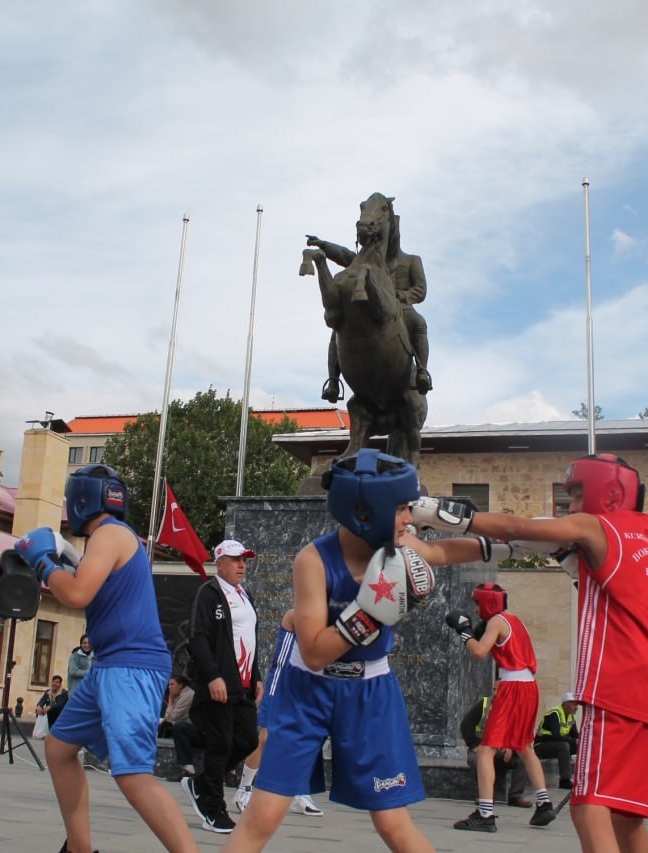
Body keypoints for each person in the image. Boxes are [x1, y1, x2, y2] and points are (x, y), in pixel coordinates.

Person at [412, 452, 648, 853]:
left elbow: (513, 526)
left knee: (588, 807)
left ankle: (486, 809)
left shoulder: (596, 527)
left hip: (618, 691)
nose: (570, 507)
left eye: (575, 495)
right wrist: (431, 551)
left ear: (608, 494)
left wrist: (432, 511)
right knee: (626, 820)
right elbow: (508, 542)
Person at [224, 449, 440, 853]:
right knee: (263, 816)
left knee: (394, 823)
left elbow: (454, 549)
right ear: (366, 509)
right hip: (307, 690)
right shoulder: (313, 559)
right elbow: (314, 653)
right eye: (399, 508)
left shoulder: (400, 548)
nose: (409, 519)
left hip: (371, 690)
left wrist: (504, 540)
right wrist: (372, 614)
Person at [15, 463, 197, 853]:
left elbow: (77, 594)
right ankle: (80, 848)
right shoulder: (112, 537)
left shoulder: (109, 535)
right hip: (111, 667)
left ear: (79, 499)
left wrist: (43, 563)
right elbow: (88, 588)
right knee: (59, 747)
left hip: (130, 668)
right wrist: (59, 559)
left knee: (133, 775)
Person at [436, 581, 554, 831]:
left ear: (488, 602)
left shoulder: (497, 622)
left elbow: (479, 652)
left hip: (512, 688)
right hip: (529, 687)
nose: (477, 610)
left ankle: (485, 814)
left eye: (478, 604)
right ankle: (544, 804)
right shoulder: (514, 620)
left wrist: (464, 632)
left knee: (486, 751)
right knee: (524, 745)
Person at [305, 204, 432, 401]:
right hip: (367, 304)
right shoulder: (370, 259)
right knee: (336, 332)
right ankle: (333, 381)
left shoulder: (412, 260)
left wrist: (400, 296)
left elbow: (420, 290)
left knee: (418, 323)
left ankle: (421, 371)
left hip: (400, 307)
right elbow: (345, 255)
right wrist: (323, 245)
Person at [182, 539, 262, 835]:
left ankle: (201, 784)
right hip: (217, 684)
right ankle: (213, 809)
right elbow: (198, 638)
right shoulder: (210, 592)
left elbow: (249, 639)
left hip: (242, 685)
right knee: (220, 745)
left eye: (245, 559)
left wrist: (258, 677)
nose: (242, 565)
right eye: (235, 559)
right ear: (220, 563)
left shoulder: (245, 594)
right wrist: (213, 675)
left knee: (247, 740)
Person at [232, 610, 324, 818]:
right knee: (266, 736)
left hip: (306, 685)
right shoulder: (295, 615)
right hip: (281, 682)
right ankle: (244, 789)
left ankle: (298, 792)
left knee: (303, 739)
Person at [459, 695, 532, 810]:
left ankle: (515, 796)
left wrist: (510, 746)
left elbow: (518, 732)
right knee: (475, 758)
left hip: (503, 749)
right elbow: (466, 724)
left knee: (523, 758)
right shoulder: (485, 704)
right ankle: (486, 796)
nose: (496, 693)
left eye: (499, 689)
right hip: (483, 747)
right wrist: (474, 744)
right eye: (494, 689)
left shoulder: (514, 707)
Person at [534, 692, 581, 791]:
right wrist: (573, 740)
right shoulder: (554, 713)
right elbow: (556, 735)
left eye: (576, 704)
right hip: (541, 746)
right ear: (565, 704)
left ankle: (582, 778)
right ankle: (564, 780)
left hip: (555, 746)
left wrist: (581, 740)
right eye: (573, 704)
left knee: (582, 745)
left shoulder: (571, 717)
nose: (576, 707)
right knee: (564, 745)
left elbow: (576, 736)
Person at [160, 674, 201, 778]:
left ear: (181, 685)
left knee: (178, 727)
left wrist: (170, 700)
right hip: (184, 727)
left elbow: (172, 717)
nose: (170, 687)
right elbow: (168, 717)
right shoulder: (179, 695)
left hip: (195, 730)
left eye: (172, 684)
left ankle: (188, 768)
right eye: (169, 685)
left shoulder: (188, 696)